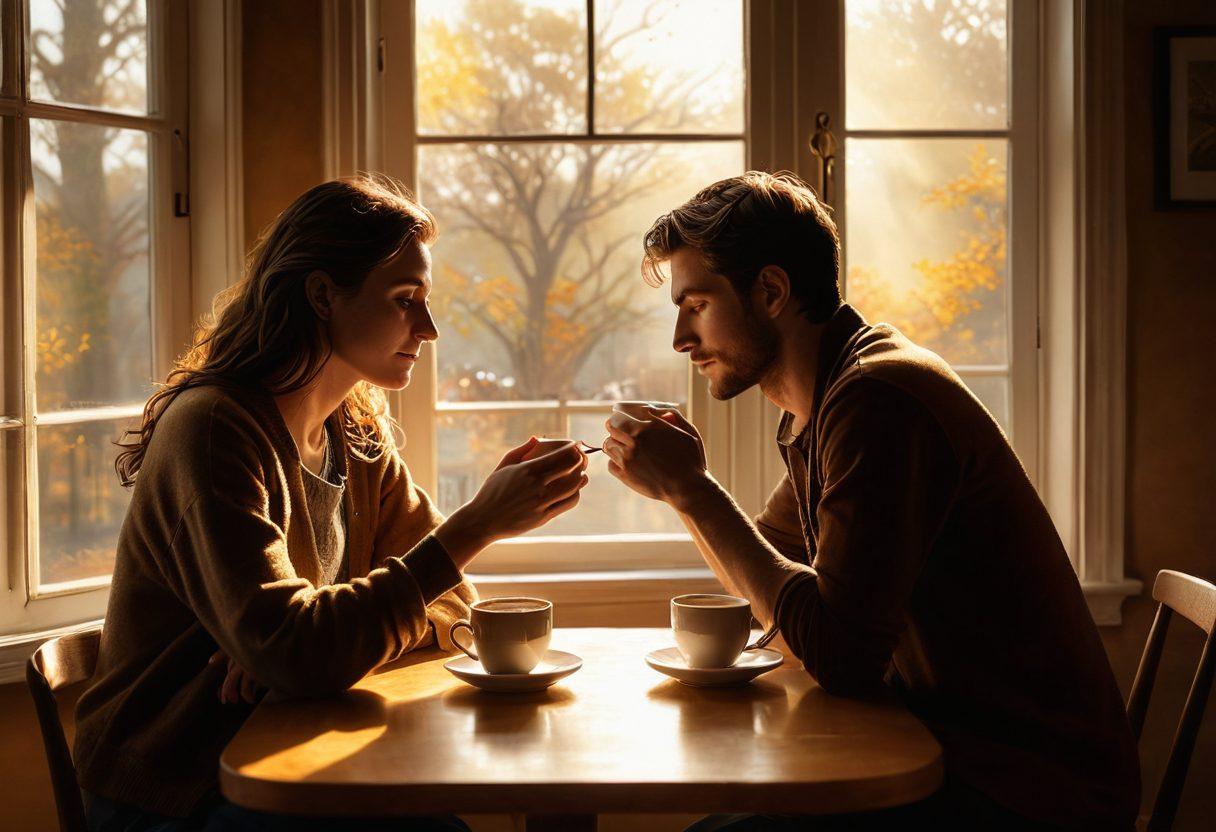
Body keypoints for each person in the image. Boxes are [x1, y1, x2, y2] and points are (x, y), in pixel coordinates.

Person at [603, 171, 1140, 830]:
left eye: (697, 305)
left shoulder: (877, 401)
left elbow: (841, 656)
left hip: (1027, 792)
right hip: (951, 753)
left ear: (771, 291)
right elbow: (767, 577)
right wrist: (682, 493)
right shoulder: (832, 397)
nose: (682, 340)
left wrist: (692, 488)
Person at [74, 176, 590, 831]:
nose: (427, 329)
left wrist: (305, 650)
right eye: (406, 300)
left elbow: (455, 605)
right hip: (176, 785)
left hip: (290, 745)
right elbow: (324, 636)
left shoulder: (356, 432)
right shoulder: (213, 431)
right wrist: (476, 525)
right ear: (323, 294)